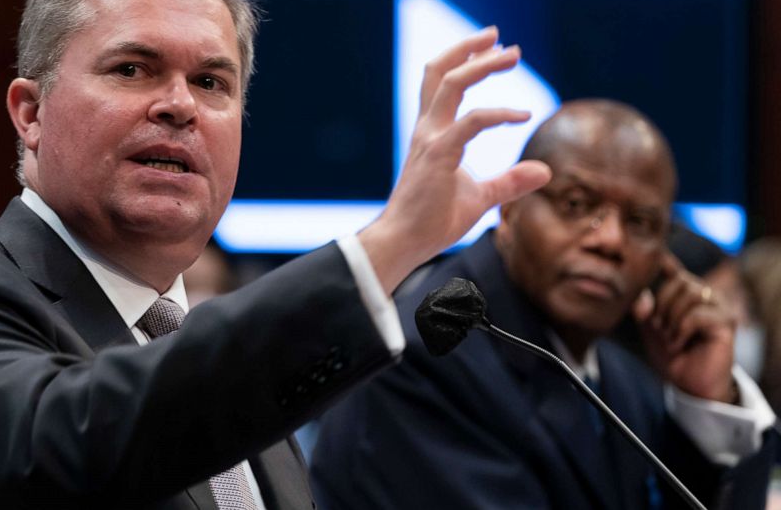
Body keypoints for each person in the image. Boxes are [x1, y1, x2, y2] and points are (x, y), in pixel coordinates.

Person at [0, 0, 550, 509]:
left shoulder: (236, 378)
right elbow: (68, 444)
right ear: (31, 112)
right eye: (133, 69)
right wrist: (388, 246)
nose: (180, 105)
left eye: (211, 82)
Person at [311, 100, 777, 510]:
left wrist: (705, 403)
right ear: (510, 212)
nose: (610, 240)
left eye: (640, 221)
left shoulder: (624, 379)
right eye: (576, 203)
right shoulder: (424, 360)